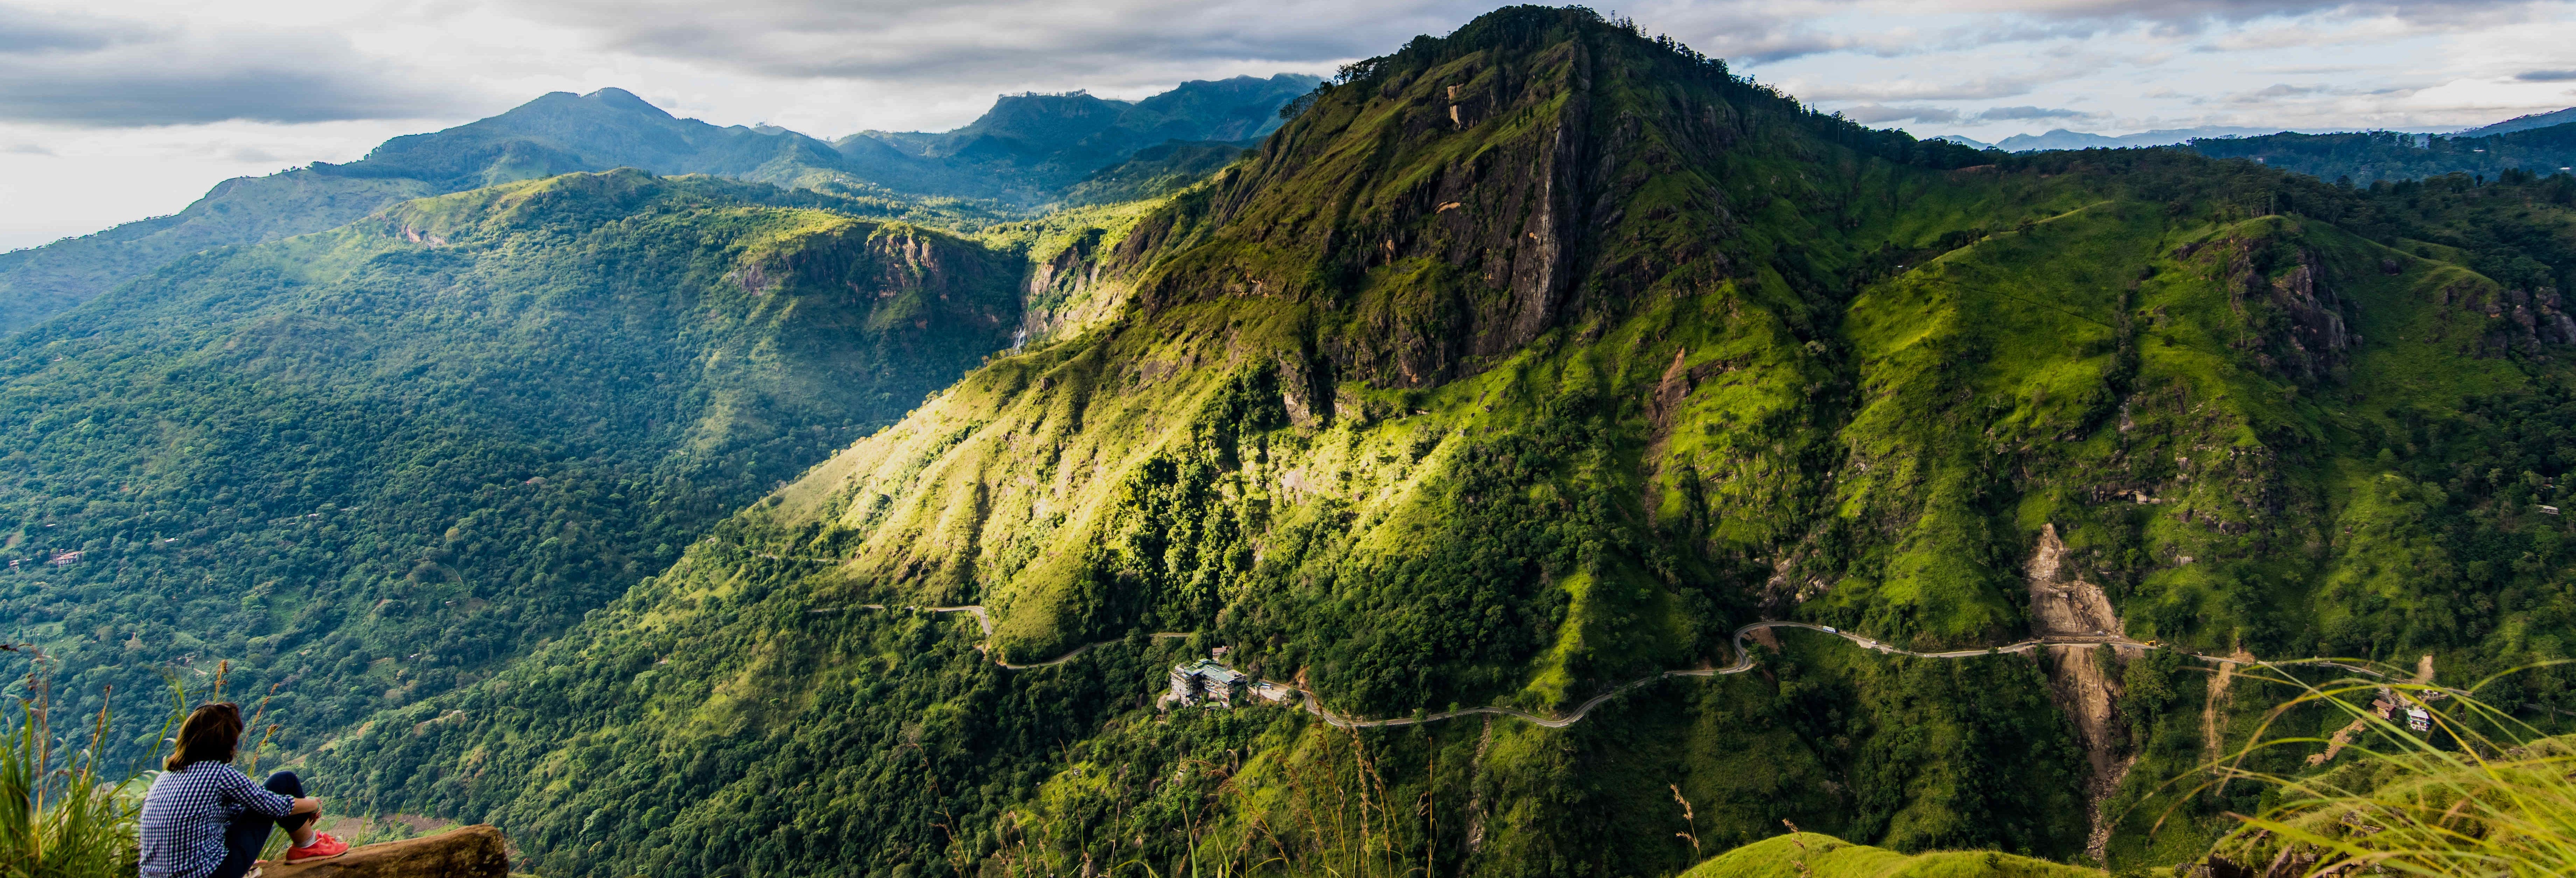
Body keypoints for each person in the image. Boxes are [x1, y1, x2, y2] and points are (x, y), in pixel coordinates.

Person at [139, 703, 350, 878]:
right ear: (226, 741)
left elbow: (219, 817)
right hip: (212, 875)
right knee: (283, 781)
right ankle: (308, 846)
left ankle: (305, 846)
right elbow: (274, 805)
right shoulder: (219, 774)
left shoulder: (166, 776)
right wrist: (314, 804)